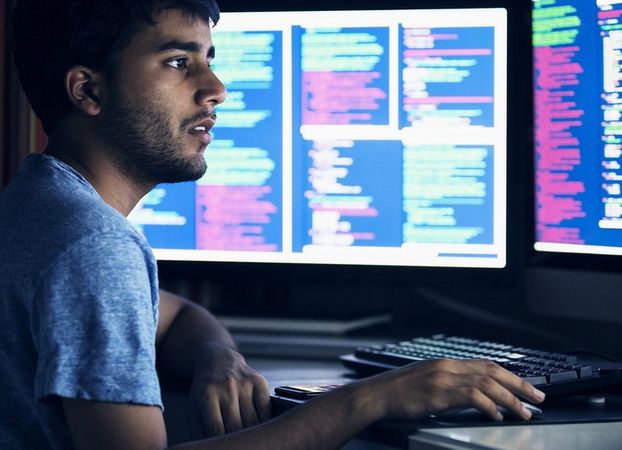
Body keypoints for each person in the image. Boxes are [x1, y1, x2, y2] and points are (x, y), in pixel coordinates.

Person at [0, 1, 545, 449]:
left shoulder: (35, 202)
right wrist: (373, 398)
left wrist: (219, 358)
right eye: (178, 62)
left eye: (209, 59)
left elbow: (177, 315)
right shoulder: (96, 245)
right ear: (88, 91)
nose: (216, 88)